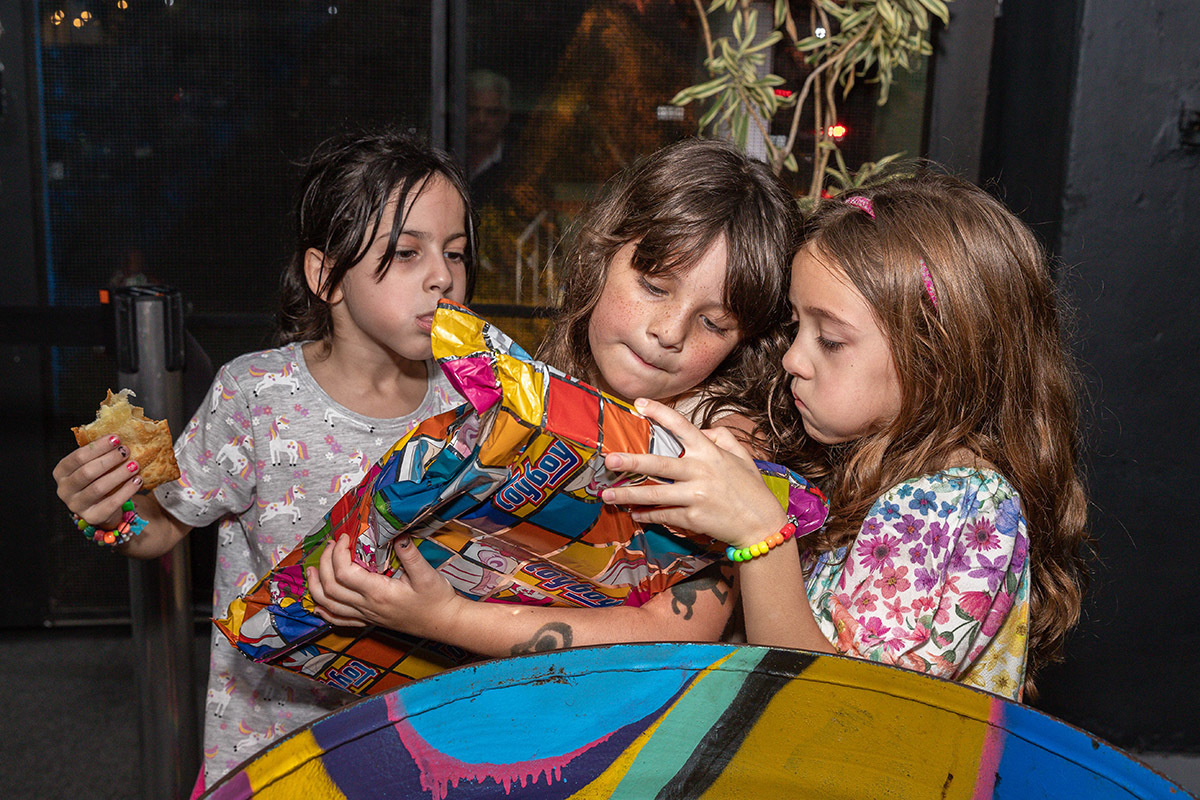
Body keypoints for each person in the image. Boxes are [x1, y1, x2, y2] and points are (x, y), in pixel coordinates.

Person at [52, 127, 478, 793]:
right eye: (405, 252)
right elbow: (163, 525)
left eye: (454, 253)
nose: (443, 276)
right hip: (273, 749)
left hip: (420, 745)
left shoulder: (476, 404)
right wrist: (105, 516)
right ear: (325, 275)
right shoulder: (255, 395)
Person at [599, 171, 1090, 702]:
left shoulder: (957, 504)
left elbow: (837, 709)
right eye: (796, 327)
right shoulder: (873, 475)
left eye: (830, 340)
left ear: (937, 359)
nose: (792, 359)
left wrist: (760, 535)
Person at [306, 137, 798, 658]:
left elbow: (680, 632)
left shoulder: (723, 445)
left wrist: (445, 617)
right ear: (601, 254)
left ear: (744, 340)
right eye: (654, 287)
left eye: (713, 323)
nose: (670, 332)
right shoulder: (544, 385)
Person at [466, 69, 513, 206]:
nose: (481, 120)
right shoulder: (446, 155)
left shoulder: (519, 164)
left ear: (505, 116)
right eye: (473, 110)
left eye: (491, 112)